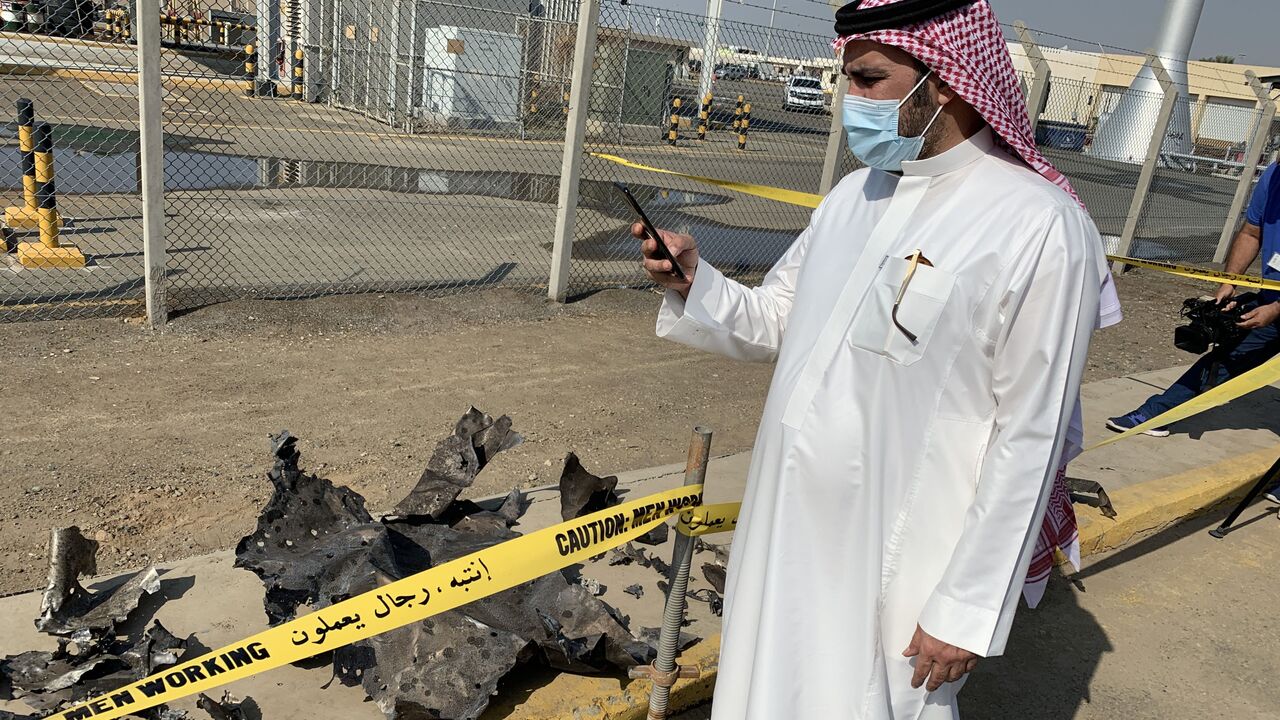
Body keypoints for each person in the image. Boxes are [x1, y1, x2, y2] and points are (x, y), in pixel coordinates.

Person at [635, 1, 1108, 717]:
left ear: (944, 80)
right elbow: (779, 320)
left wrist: (967, 604)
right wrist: (692, 283)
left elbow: (1030, 436)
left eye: (867, 80)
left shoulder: (1039, 226)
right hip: (783, 530)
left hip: (896, 562)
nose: (848, 102)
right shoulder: (855, 196)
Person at [1106, 160, 1280, 440]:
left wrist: (1277, 308)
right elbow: (1251, 232)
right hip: (1271, 300)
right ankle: (1157, 413)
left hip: (1276, 305)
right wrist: (1230, 282)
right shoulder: (1275, 175)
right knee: (1228, 354)